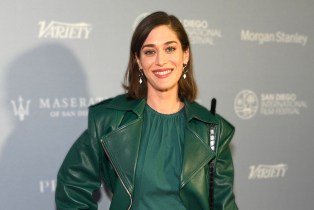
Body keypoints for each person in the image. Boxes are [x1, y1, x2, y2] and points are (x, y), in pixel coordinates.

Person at [55, 11, 238, 210]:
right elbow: (72, 186)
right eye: (150, 51)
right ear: (138, 60)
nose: (161, 61)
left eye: (170, 49)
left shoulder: (212, 129)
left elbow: (224, 205)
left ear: (185, 55)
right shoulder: (109, 120)